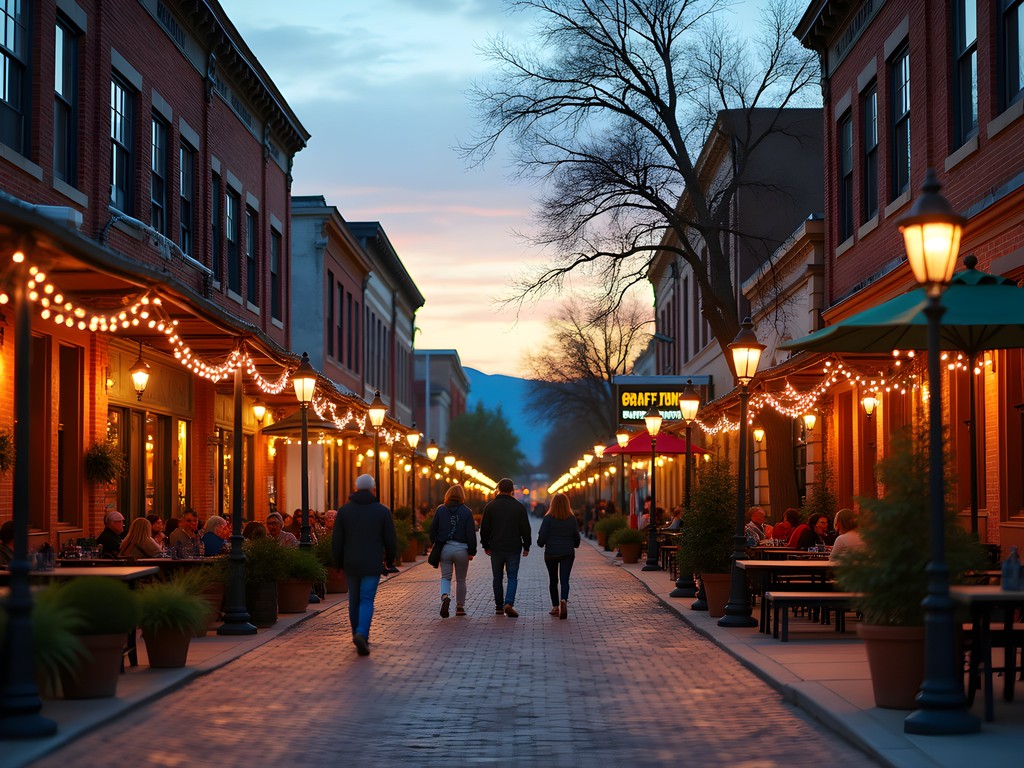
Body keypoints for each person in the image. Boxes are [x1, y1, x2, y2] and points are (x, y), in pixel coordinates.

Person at [332, 473, 397, 657]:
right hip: (372, 562)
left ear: (356, 489)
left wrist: (338, 564)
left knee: (354, 598)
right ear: (373, 490)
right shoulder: (381, 511)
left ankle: (356, 633)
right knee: (367, 599)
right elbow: (390, 540)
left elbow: (337, 541)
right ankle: (362, 633)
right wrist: (389, 560)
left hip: (351, 563)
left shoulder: (344, 511)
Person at [480, 477, 531, 617]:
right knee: (512, 576)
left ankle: (498, 605)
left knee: (497, 577)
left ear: (498, 489)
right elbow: (525, 528)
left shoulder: (490, 507)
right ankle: (508, 603)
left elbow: (484, 529)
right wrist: (526, 545)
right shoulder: (519, 507)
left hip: (496, 546)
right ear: (512, 491)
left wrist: (485, 545)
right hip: (513, 547)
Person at [428, 484, 477, 618]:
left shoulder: (440, 510)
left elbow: (432, 530)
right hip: (462, 549)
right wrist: (472, 551)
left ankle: (445, 596)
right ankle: (460, 607)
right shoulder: (467, 511)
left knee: (445, 577)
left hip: (445, 548)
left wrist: (435, 543)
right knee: (461, 579)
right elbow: (471, 533)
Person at [537, 492, 581, 619]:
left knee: (553, 580)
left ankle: (555, 607)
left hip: (551, 553)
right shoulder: (571, 519)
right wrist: (574, 544)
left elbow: (541, 539)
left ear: (552, 504)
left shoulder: (548, 519)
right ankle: (563, 600)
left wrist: (541, 542)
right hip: (567, 553)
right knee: (565, 580)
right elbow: (577, 538)